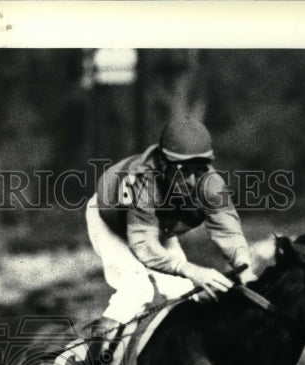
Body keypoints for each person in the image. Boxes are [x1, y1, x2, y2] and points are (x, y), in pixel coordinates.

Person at [84, 116, 256, 339]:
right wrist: (192, 270)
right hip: (113, 221)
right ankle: (92, 363)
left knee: (183, 293)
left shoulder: (211, 183)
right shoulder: (144, 180)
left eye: (200, 168)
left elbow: (228, 232)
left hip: (157, 225)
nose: (194, 180)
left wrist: (244, 265)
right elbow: (144, 247)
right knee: (136, 292)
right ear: (164, 164)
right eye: (185, 171)